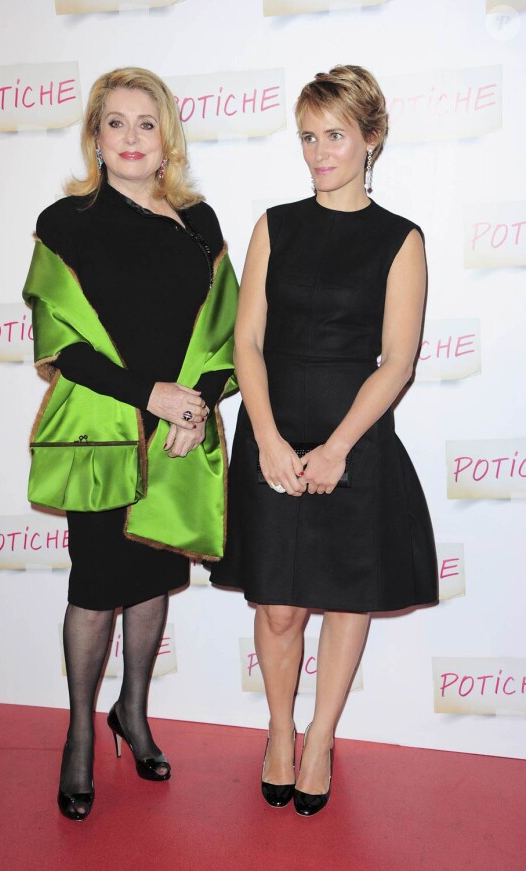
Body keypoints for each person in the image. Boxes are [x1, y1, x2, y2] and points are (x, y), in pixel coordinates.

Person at [210, 65, 437, 817]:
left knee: (345, 602)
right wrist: (267, 437)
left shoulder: (400, 239)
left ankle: (322, 737)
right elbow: (246, 341)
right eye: (308, 135)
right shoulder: (274, 225)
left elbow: (397, 360)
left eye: (334, 135)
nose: (318, 152)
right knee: (277, 607)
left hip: (356, 439)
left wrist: (339, 446)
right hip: (275, 430)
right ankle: (279, 730)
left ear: (370, 138)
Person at [22, 67, 237, 821]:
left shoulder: (201, 223)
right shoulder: (65, 222)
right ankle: (80, 730)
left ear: (167, 134)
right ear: (95, 135)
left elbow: (225, 334)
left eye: (147, 123)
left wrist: (197, 406)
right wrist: (150, 396)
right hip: (102, 436)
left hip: (177, 440)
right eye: (116, 122)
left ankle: (134, 713)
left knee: (151, 581)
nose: (133, 137)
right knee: (95, 583)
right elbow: (61, 342)